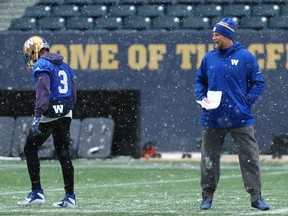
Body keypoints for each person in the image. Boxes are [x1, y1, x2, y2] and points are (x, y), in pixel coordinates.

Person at [195, 18, 270, 211]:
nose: (213, 38)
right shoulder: (208, 58)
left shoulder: (245, 56)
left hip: (241, 118)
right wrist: (201, 97)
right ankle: (207, 197)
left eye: (216, 34)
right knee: (209, 160)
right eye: (213, 34)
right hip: (212, 118)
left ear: (227, 36)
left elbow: (258, 82)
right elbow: (199, 81)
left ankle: (256, 197)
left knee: (250, 158)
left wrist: (246, 101)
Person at [18, 36, 77, 208]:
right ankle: (70, 196)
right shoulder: (65, 65)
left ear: (34, 50)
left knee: (30, 148)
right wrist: (67, 109)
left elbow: (43, 92)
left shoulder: (41, 65)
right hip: (66, 111)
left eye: (30, 54)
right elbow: (73, 94)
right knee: (63, 152)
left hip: (50, 111)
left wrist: (38, 115)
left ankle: (36, 192)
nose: (30, 58)